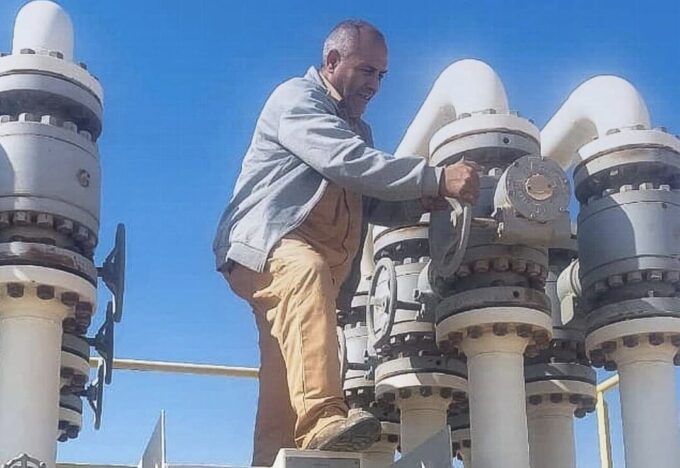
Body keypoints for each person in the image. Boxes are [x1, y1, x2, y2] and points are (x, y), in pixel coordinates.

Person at [213, 19, 480, 467]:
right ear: (333, 61)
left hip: (311, 275)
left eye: (382, 75)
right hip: (269, 246)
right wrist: (434, 177)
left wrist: (423, 201)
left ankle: (272, 458)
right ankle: (323, 419)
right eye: (366, 70)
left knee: (285, 377)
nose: (375, 84)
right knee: (306, 272)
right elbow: (345, 162)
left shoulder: (358, 130)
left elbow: (367, 200)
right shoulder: (298, 99)